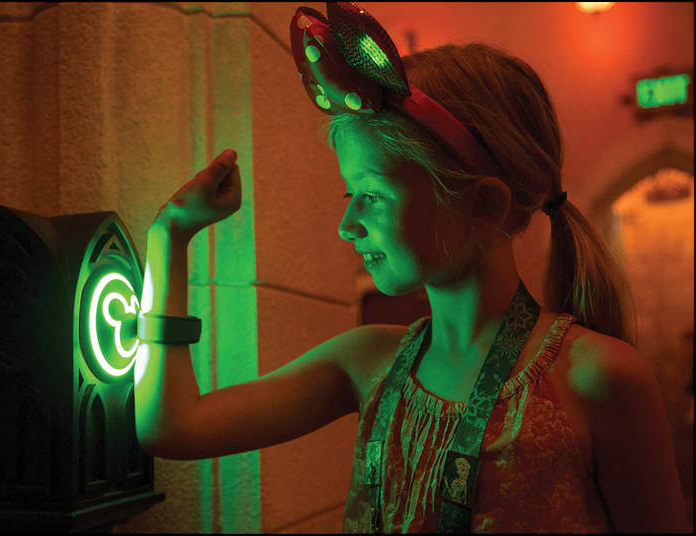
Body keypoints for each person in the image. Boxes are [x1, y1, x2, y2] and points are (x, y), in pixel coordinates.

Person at [133, 3, 689, 533]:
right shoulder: (366, 359)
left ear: (482, 205)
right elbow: (172, 425)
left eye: (371, 196)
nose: (347, 225)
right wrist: (170, 236)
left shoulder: (598, 377)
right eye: (348, 194)